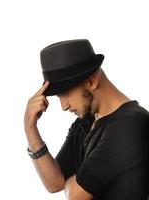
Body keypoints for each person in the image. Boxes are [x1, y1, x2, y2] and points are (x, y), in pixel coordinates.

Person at [24, 39, 149, 199]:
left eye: (65, 93)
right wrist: (30, 129)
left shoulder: (130, 125)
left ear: (92, 81)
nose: (63, 106)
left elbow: (74, 195)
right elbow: (55, 183)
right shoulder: (85, 123)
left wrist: (71, 185)